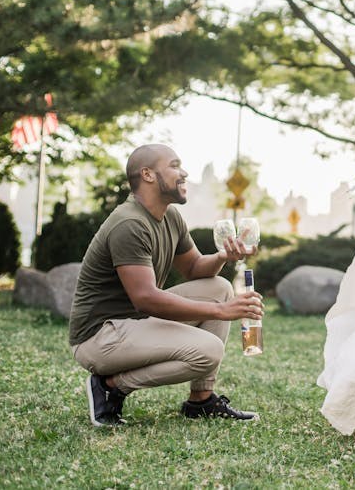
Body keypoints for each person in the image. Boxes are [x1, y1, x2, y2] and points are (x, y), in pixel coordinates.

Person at [68, 144, 265, 427]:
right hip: (99, 336)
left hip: (133, 322)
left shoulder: (169, 216)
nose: (183, 173)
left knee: (219, 286)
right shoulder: (130, 224)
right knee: (208, 350)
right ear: (148, 174)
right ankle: (111, 385)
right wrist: (222, 312)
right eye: (175, 165)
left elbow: (195, 268)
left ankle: (201, 400)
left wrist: (224, 256)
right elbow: (146, 299)